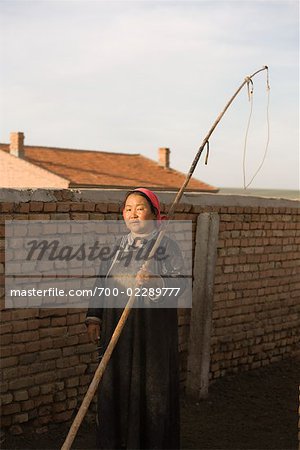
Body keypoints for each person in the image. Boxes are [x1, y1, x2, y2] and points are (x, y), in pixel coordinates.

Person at [86, 188, 186, 449]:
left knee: (150, 391)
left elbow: (181, 286)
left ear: (154, 214)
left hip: (151, 335)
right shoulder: (115, 247)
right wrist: (94, 318)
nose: (133, 213)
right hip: (116, 331)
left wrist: (157, 280)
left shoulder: (165, 246)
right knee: (115, 386)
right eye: (128, 208)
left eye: (140, 208)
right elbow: (101, 282)